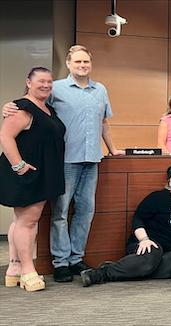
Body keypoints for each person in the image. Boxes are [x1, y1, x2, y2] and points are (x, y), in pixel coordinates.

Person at [3, 45, 125, 282]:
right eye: (78, 62)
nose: (82, 66)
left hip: (92, 160)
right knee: (59, 213)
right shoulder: (54, 88)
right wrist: (8, 106)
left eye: (86, 62)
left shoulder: (100, 90)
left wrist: (112, 149)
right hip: (64, 161)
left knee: (85, 211)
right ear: (68, 64)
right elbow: (28, 102)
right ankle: (60, 263)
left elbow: (104, 123)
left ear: (91, 64)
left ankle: (76, 258)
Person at [80, 165, 171, 287]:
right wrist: (144, 240)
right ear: (169, 182)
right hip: (147, 244)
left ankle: (122, 268)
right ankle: (100, 274)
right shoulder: (157, 197)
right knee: (152, 253)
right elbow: (138, 219)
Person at [1, 67, 65, 291]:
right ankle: (28, 271)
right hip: (27, 170)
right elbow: (5, 136)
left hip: (42, 170)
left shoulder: (47, 108)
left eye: (49, 82)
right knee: (28, 222)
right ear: (28, 82)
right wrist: (19, 166)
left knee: (21, 221)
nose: (46, 85)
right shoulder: (21, 107)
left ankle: (14, 269)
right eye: (40, 81)